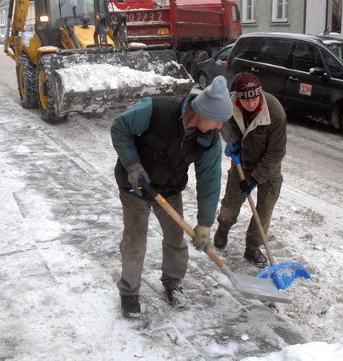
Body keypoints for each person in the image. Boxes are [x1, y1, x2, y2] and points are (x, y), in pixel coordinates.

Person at [111, 76, 233, 318]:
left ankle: (172, 282)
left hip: (169, 188)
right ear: (202, 112)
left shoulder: (208, 141)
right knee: (135, 242)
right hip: (135, 186)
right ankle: (129, 291)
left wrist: (205, 223)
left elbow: (209, 181)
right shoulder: (155, 110)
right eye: (218, 121)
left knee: (176, 240)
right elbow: (119, 128)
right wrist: (133, 166)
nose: (220, 127)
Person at [213, 72, 286, 268]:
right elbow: (222, 125)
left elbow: (276, 152)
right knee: (231, 202)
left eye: (255, 98)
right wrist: (230, 141)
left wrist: (255, 179)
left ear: (260, 93)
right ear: (238, 98)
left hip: (268, 166)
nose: (251, 104)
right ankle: (224, 227)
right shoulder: (229, 105)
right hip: (241, 162)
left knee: (265, 208)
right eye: (246, 101)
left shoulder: (274, 111)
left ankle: (253, 247)